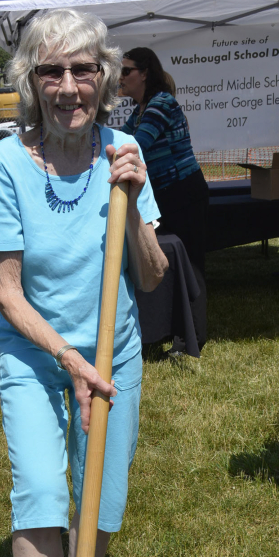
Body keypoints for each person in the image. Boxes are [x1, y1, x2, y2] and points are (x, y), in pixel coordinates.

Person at [0, 9, 167, 557]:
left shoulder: (123, 151)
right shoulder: (2, 164)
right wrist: (65, 358)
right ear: (30, 80)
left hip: (111, 351)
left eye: (82, 69)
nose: (67, 86)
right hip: (37, 352)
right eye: (51, 71)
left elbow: (149, 275)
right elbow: (4, 290)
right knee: (39, 487)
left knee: (102, 498)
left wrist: (131, 194)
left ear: (105, 78)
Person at [119, 47, 209, 357]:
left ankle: (192, 339)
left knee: (191, 265)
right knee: (172, 264)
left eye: (126, 71)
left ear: (144, 73)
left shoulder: (160, 104)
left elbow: (135, 145)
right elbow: (120, 139)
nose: (120, 77)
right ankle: (172, 331)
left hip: (185, 193)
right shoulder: (141, 108)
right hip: (169, 195)